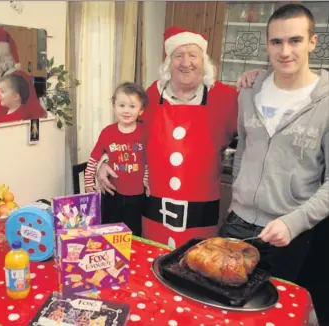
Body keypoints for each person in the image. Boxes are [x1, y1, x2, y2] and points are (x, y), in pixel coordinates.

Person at [97, 27, 239, 248]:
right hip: (153, 212)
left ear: (204, 61)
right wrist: (104, 160)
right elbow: (124, 132)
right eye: (178, 55)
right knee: (151, 266)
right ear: (168, 62)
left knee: (197, 269)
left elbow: (254, 144)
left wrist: (256, 81)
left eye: (193, 55)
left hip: (201, 214)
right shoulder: (150, 96)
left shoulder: (227, 98)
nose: (186, 62)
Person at [219, 4, 328, 283]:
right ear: (267, 44)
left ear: (312, 42)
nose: (285, 51)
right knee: (222, 306)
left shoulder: (325, 102)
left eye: (295, 40)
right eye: (276, 41)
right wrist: (236, 200)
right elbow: (244, 149)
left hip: (290, 232)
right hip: (237, 223)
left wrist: (293, 224)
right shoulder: (249, 91)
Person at [84, 82, 149, 236]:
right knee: (109, 231)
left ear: (141, 110)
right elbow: (93, 159)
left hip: (137, 195)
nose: (126, 111)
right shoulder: (107, 132)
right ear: (114, 106)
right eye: (121, 105)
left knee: (134, 234)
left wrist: (146, 178)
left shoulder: (145, 131)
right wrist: (88, 182)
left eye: (132, 106)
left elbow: (149, 160)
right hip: (112, 193)